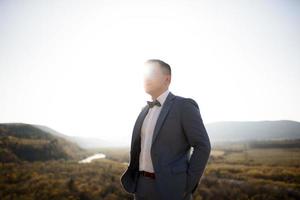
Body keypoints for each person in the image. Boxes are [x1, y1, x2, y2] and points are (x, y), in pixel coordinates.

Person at [120, 59, 211, 200]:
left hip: (172, 189)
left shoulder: (184, 106)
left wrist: (186, 186)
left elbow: (202, 146)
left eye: (152, 73)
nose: (146, 78)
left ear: (167, 79)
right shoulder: (144, 110)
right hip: (141, 187)